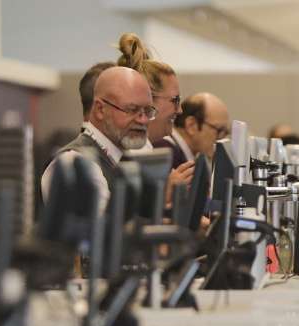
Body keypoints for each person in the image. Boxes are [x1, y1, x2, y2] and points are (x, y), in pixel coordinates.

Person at [40, 66, 155, 213]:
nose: (143, 120)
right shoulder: (75, 163)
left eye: (148, 111)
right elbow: (99, 229)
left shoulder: (123, 160)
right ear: (101, 110)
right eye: (132, 110)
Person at [116, 33, 195, 198]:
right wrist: (164, 194)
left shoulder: (145, 151)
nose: (180, 110)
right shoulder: (130, 157)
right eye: (175, 100)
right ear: (148, 101)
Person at [155, 93, 231, 168]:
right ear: (191, 125)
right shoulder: (166, 155)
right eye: (219, 130)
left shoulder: (180, 156)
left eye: (225, 133)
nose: (222, 139)